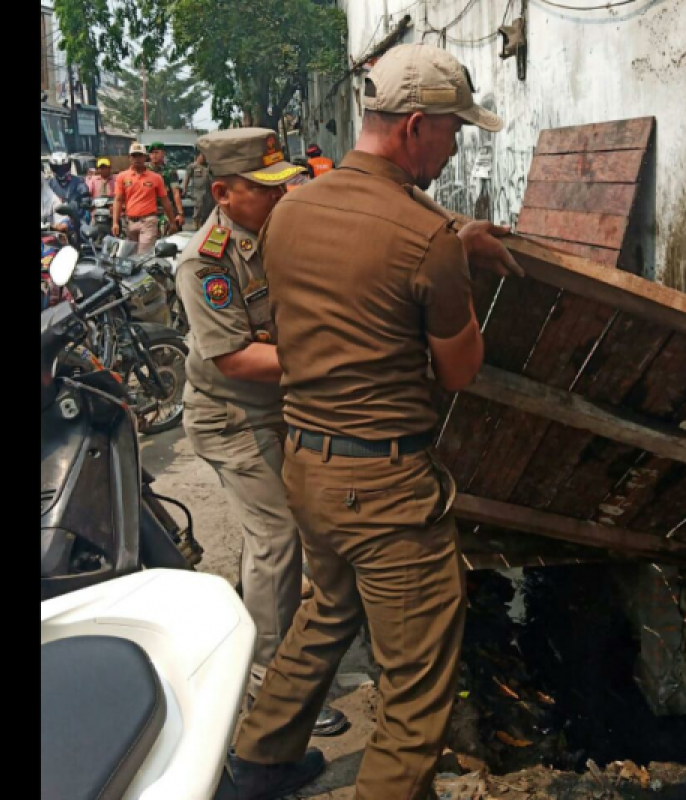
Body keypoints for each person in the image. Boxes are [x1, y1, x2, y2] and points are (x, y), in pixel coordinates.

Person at [227, 43, 522, 800]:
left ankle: (259, 761)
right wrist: (456, 271)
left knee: (326, 610)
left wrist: (447, 242)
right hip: (386, 487)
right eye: (454, 130)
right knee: (416, 686)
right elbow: (458, 371)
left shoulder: (290, 210)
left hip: (310, 466)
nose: (456, 147)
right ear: (415, 126)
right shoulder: (425, 242)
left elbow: (362, 259)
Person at [174, 128, 350, 753]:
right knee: (274, 540)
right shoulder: (207, 260)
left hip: (278, 408)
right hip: (230, 417)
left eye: (285, 184)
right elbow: (234, 361)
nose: (283, 196)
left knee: (298, 529)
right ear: (224, 193)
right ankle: (270, 688)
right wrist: (329, 356)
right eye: (265, 188)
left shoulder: (277, 229)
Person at [112, 142, 180, 253]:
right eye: (134, 155)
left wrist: (172, 221)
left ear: (145, 157)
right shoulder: (122, 177)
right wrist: (115, 222)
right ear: (129, 158)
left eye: (139, 155)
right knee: (130, 255)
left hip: (148, 221)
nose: (137, 159)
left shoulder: (156, 178)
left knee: (143, 254)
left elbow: (165, 200)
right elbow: (118, 199)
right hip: (129, 222)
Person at [148, 142, 185, 234]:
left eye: (157, 152)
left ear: (163, 153)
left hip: (166, 211)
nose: (154, 155)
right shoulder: (144, 171)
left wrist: (180, 213)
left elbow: (175, 193)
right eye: (152, 153)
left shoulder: (170, 171)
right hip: (148, 212)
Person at [183, 150, 211, 229]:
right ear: (198, 156)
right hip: (197, 191)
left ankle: (203, 223)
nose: (204, 158)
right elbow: (187, 177)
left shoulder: (208, 167)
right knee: (199, 206)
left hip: (208, 190)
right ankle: (196, 222)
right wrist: (185, 188)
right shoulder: (192, 166)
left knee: (207, 207)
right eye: (202, 156)